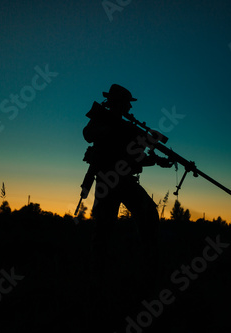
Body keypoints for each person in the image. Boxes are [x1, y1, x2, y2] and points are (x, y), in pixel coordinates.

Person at [83, 84, 172, 290]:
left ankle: (147, 269)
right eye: (126, 104)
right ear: (117, 103)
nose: (129, 109)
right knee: (104, 229)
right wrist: (116, 131)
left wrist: (157, 160)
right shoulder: (104, 120)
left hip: (125, 180)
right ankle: (97, 279)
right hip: (108, 180)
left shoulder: (127, 128)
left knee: (148, 215)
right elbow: (88, 133)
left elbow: (135, 156)